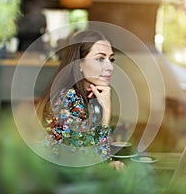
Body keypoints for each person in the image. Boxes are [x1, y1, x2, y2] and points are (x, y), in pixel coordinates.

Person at [36, 30, 124, 170]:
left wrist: (110, 164)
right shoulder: (68, 99)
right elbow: (89, 160)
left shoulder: (87, 96)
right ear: (79, 64)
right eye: (100, 59)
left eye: (111, 59)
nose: (110, 67)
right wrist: (107, 112)